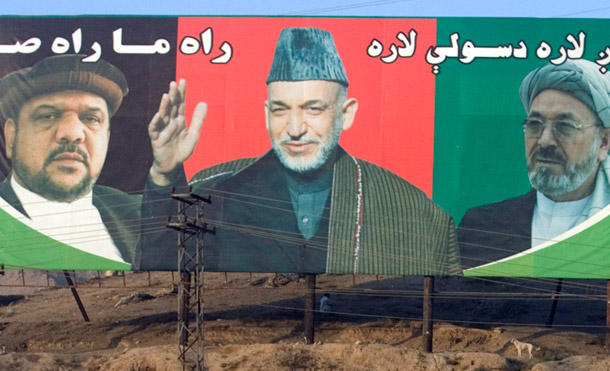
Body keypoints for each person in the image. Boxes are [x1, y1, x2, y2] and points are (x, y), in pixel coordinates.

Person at [136, 27, 461, 275]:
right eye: (280, 110)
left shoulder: (418, 215)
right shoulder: (215, 190)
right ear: (266, 113)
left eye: (313, 109)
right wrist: (165, 175)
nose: (294, 128)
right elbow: (162, 274)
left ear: (346, 113)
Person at [459, 59, 610, 269]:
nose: (545, 140)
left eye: (565, 126)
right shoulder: (480, 227)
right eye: (534, 124)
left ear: (603, 142)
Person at [0, 54, 141, 266]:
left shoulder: (138, 211)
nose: (73, 133)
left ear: (107, 137)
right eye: (48, 116)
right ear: (11, 136)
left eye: (90, 119)